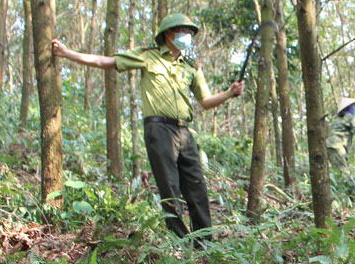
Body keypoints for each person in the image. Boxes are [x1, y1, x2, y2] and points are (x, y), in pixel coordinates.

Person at [51, 13, 244, 242]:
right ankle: (180, 242)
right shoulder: (148, 57)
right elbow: (107, 62)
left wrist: (230, 94)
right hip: (159, 130)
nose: (188, 37)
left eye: (190, 33)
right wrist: (68, 53)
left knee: (197, 187)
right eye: (184, 31)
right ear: (168, 33)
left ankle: (205, 245)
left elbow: (205, 101)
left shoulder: (191, 67)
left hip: (184, 131)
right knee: (169, 188)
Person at [326, 97, 355, 171]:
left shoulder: (337, 120)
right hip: (337, 146)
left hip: (329, 147)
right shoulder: (349, 117)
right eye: (353, 106)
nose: (354, 108)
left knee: (338, 172)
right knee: (345, 174)